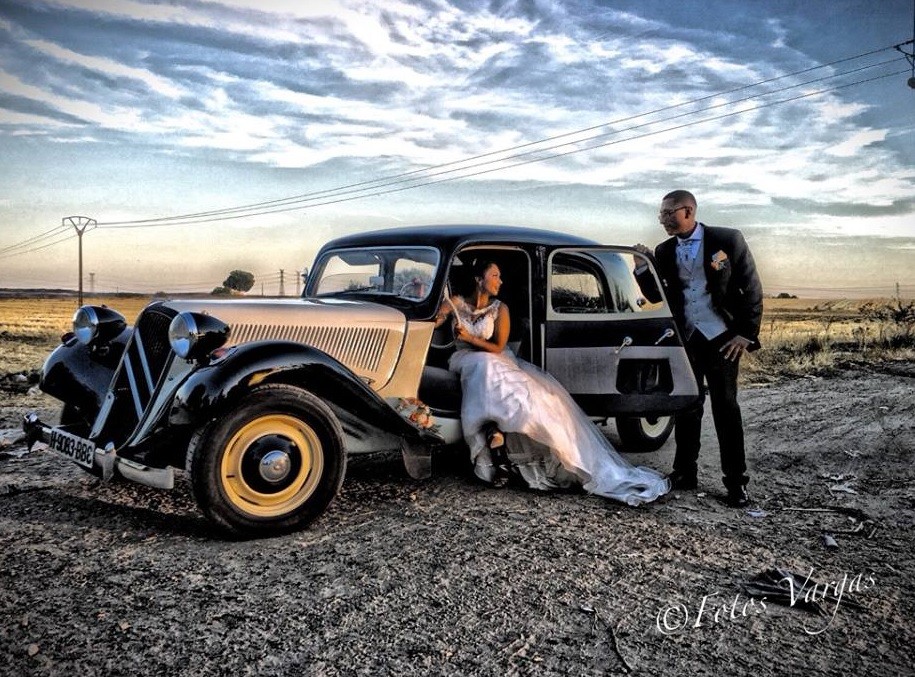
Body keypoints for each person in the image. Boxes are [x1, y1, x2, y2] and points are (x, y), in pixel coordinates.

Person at [435, 259, 670, 506]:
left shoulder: (499, 309)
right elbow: (435, 319)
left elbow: (497, 347)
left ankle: (504, 435)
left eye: (500, 275)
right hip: (465, 359)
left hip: (493, 357)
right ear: (479, 279)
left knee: (535, 397)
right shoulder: (458, 302)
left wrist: (470, 337)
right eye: (495, 275)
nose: (500, 281)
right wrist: (442, 310)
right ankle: (495, 433)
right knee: (481, 367)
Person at [634, 190, 763, 508]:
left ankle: (736, 483)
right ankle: (684, 472)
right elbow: (656, 296)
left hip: (722, 339)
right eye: (660, 214)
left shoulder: (728, 239)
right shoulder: (664, 250)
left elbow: (752, 286)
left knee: (726, 409)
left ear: (687, 211)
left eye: (667, 213)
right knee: (687, 406)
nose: (662, 219)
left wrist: (745, 334)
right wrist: (641, 267)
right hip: (688, 338)